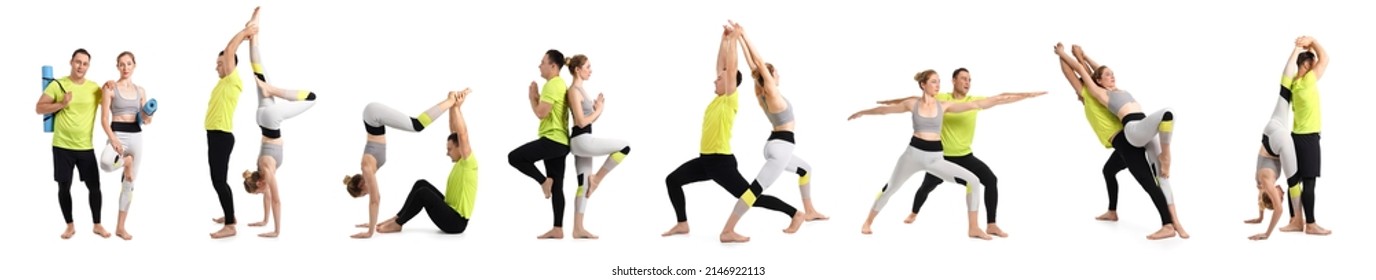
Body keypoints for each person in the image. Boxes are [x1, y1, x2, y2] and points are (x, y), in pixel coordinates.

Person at [849, 69, 1043, 239]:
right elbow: (885, 111)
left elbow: (983, 103)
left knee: (974, 181)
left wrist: (1025, 95)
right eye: (934, 81)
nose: (937, 85)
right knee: (891, 188)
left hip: (936, 158)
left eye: (938, 81)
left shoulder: (944, 106)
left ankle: (974, 228)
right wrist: (864, 112)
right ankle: (868, 222)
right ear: (923, 85)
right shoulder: (913, 103)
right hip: (912, 154)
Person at [662, 22, 806, 243]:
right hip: (706, 161)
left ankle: (794, 213)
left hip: (721, 163)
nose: (715, 79)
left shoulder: (730, 99)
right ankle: (682, 223)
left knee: (750, 197)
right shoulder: (717, 100)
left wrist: (735, 42)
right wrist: (724, 40)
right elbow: (722, 66)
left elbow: (730, 66)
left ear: (730, 84)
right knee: (672, 180)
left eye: (720, 79)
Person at [1055, 43, 1187, 240]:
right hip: (1125, 139)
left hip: (1126, 139)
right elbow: (1089, 73)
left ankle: (1168, 224)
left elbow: (1074, 73)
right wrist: (1078, 55)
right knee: (1108, 171)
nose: (1111, 76)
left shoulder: (1095, 93)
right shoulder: (1100, 93)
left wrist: (1062, 54)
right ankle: (1112, 211)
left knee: (1148, 181)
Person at [724, 21, 829, 233]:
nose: (778, 75)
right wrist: (744, 34)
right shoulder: (772, 93)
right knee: (754, 191)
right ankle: (728, 229)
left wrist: (741, 39)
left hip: (776, 145)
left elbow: (754, 68)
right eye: (775, 73)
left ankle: (809, 211)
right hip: (781, 148)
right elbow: (759, 63)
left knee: (806, 169)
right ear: (770, 78)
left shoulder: (760, 93)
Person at [231, 12, 320, 238]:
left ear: (260, 183)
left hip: (271, 120)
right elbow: (269, 196)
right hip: (262, 119)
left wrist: (276, 231)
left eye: (260, 191)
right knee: (258, 71)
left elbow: (277, 200)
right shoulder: (261, 172)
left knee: (311, 98)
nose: (264, 193)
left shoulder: (267, 171)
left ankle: (273, 89)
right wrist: (264, 220)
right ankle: (254, 32)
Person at [343, 95, 457, 239]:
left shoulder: (366, 169)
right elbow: (374, 200)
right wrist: (374, 223)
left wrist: (370, 231)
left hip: (373, 115)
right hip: (374, 119)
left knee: (417, 125)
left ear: (361, 184)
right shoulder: (368, 170)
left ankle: (451, 100)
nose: (368, 193)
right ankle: (451, 101)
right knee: (416, 126)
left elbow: (375, 200)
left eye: (364, 194)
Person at [376, 89, 477, 235]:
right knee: (421, 183)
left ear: (460, 148)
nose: (447, 153)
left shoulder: (469, 163)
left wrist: (455, 107)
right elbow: (455, 131)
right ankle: (397, 218)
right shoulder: (462, 161)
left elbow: (462, 134)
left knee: (423, 193)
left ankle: (398, 224)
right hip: (449, 212)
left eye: (449, 149)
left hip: (456, 223)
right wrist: (454, 107)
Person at [36, 48, 107, 239]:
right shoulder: (58, 85)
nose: (80, 66)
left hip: (85, 147)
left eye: (84, 63)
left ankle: (97, 224)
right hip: (62, 146)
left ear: (88, 66)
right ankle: (69, 225)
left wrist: (110, 86)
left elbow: (111, 102)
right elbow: (39, 108)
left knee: (94, 187)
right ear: (71, 62)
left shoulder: (94, 88)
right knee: (64, 187)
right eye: (78, 62)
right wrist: (61, 104)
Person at [564, 54, 633, 239]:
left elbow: (588, 120)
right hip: (581, 140)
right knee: (625, 147)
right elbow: (580, 122)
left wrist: (597, 109)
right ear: (578, 70)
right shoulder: (573, 91)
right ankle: (597, 180)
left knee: (582, 185)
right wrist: (599, 110)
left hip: (583, 140)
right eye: (587, 66)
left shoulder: (581, 90)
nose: (590, 70)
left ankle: (578, 228)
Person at [205, 7, 258, 239]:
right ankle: (231, 216)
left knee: (219, 181)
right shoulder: (222, 83)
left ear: (230, 65)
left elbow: (230, 49)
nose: (218, 66)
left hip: (221, 136)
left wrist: (246, 32)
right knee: (218, 180)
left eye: (221, 63)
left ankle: (229, 225)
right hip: (215, 135)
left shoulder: (232, 79)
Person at [508, 49, 573, 239]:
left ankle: (544, 182)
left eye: (543, 62)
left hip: (552, 140)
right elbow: (544, 110)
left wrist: (531, 96)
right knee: (558, 186)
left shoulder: (553, 84)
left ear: (553, 66)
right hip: (560, 143)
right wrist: (536, 97)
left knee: (514, 157)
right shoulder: (558, 84)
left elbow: (541, 113)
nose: (539, 65)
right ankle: (558, 228)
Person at [96, 51, 153, 240]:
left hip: (136, 136)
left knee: (129, 183)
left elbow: (147, 120)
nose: (125, 68)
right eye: (122, 64)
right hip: (117, 133)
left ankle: (120, 227)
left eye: (129, 64)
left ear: (134, 65)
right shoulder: (110, 88)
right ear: (117, 67)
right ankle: (126, 162)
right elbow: (104, 119)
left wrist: (147, 115)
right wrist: (113, 139)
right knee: (105, 163)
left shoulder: (141, 91)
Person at [1280, 36, 1331, 236]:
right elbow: (1325, 58)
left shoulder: (1293, 84)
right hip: (1309, 139)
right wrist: (1313, 41)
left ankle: (1295, 221)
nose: (1315, 66)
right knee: (1309, 183)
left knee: (1295, 180)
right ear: (1307, 65)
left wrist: (1302, 49)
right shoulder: (1308, 80)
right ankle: (1310, 224)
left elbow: (1294, 66)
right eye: (1312, 63)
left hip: (1295, 137)